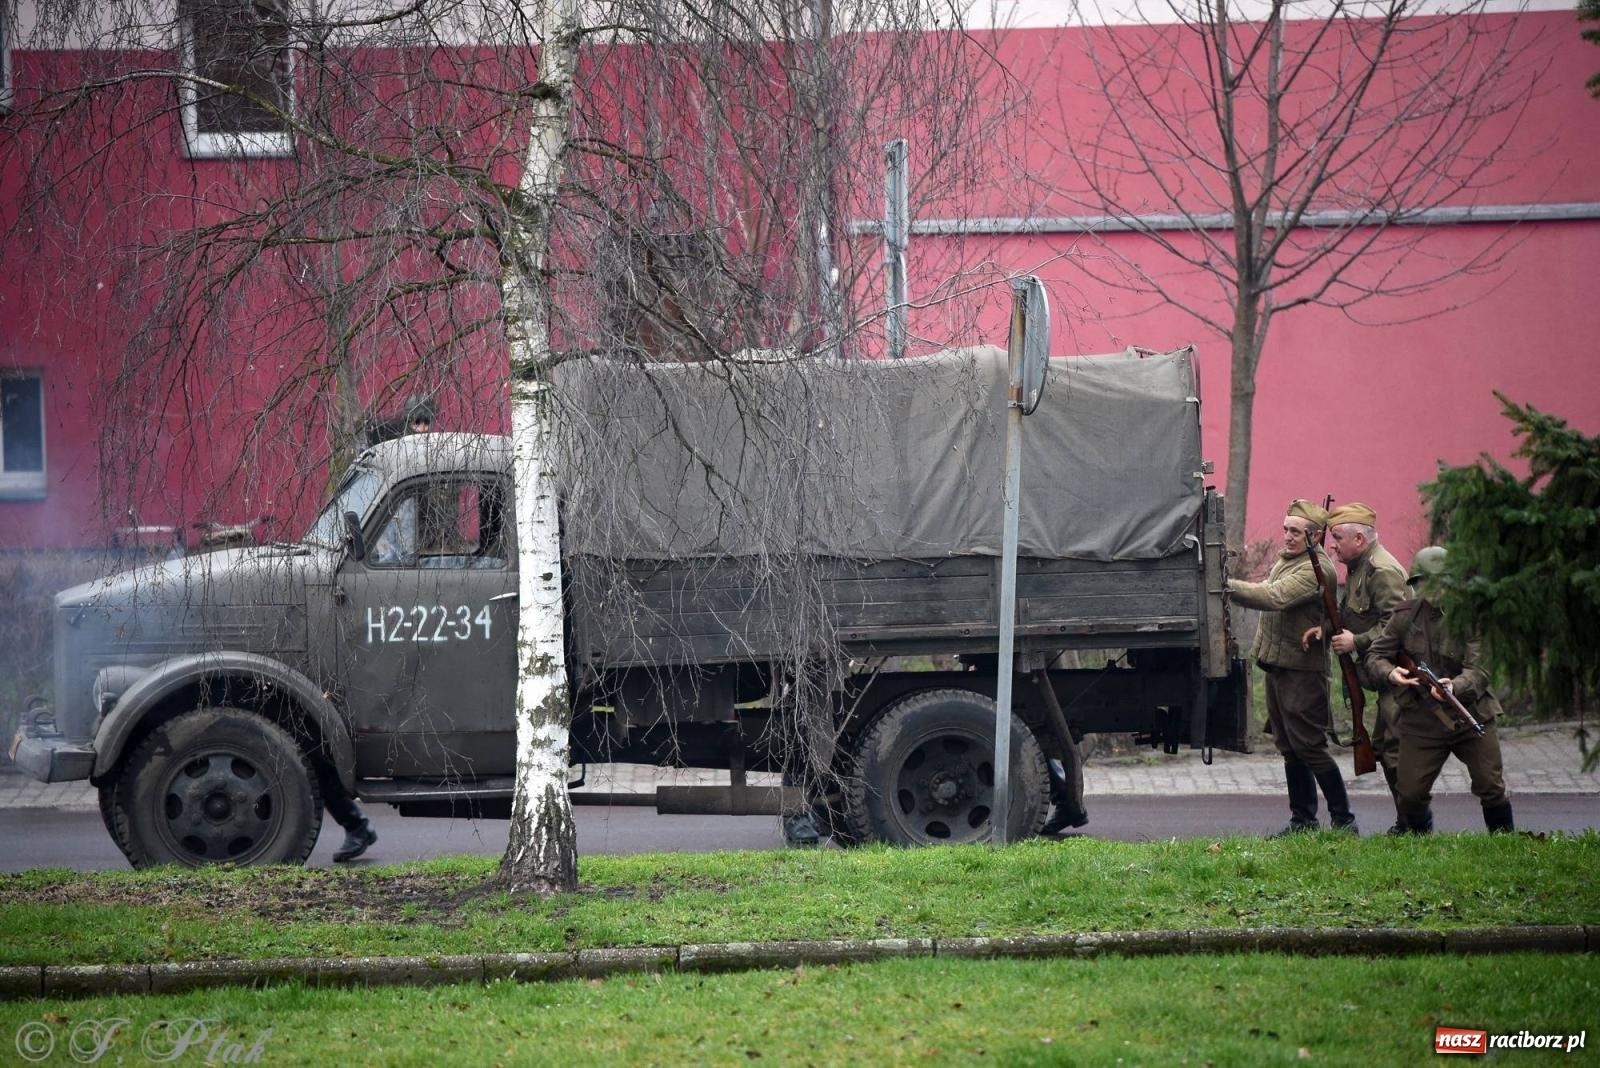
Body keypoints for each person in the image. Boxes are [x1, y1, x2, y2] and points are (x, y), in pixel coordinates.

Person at [1227, 499, 1357, 834]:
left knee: (1310, 747)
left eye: (1295, 532)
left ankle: (1344, 821)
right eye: (1285, 529)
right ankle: (1303, 821)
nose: (1287, 536)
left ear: (1314, 537)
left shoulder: (1316, 570)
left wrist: (1224, 587)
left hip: (1303, 672)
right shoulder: (1291, 561)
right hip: (1279, 667)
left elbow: (1274, 597)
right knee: (1289, 748)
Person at [1364, 546, 1514, 834]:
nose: (1431, 590)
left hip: (1471, 714)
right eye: (1423, 583)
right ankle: (1421, 842)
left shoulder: (1471, 615)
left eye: (1439, 582)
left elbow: (1481, 669)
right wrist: (1390, 672)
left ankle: (1504, 844)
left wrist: (1454, 686)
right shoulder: (1405, 615)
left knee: (1490, 785)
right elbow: (1375, 656)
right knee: (1409, 793)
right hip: (1422, 719)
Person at [1300, 502, 1408, 832]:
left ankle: (1414, 822)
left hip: (1400, 671)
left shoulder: (1381, 570)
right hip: (1382, 670)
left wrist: (1356, 642)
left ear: (1359, 539)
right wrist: (1329, 629)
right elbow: (1355, 613)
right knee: (1387, 749)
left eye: (1337, 538)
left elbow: (1398, 624)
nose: (1331, 545)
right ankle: (1409, 821)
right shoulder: (1360, 565)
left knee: (1394, 751)